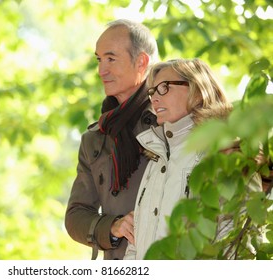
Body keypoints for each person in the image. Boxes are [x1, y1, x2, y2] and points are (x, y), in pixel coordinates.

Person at [64, 19, 159, 260]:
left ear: (141, 62)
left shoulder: (170, 122)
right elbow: (76, 215)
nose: (101, 70)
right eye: (99, 60)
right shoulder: (94, 139)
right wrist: (112, 227)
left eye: (111, 59)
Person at [123, 58, 235, 260]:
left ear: (197, 89)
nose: (154, 98)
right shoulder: (156, 160)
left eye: (164, 87)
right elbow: (135, 244)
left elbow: (234, 239)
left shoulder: (224, 152)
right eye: (152, 92)